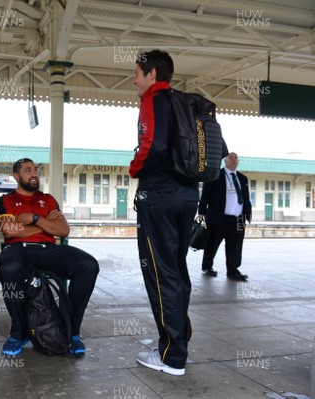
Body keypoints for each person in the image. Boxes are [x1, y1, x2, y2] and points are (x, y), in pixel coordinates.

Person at [129, 50, 197, 376]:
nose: (135, 80)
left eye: (138, 73)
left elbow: (152, 145)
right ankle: (176, 337)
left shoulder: (153, 99)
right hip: (188, 196)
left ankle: (171, 356)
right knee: (176, 270)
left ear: (152, 74)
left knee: (160, 274)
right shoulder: (185, 102)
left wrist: (134, 168)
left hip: (159, 196)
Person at [0, 158, 99, 357]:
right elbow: (9, 231)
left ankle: (72, 332)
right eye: (28, 170)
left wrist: (34, 219)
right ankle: (19, 332)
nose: (34, 173)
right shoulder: (6, 200)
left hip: (48, 250)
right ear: (16, 176)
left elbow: (63, 230)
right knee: (9, 269)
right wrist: (45, 225)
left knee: (88, 265)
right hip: (18, 250)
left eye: (35, 170)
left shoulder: (48, 199)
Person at [198, 152, 251, 281]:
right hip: (219, 217)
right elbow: (206, 194)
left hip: (239, 218)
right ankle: (207, 266)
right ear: (225, 161)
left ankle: (233, 271)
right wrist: (202, 211)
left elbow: (246, 197)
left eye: (236, 158)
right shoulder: (216, 175)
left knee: (236, 245)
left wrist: (247, 214)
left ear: (238, 162)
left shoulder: (243, 178)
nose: (233, 160)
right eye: (231, 158)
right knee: (212, 243)